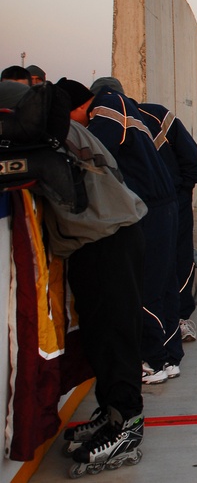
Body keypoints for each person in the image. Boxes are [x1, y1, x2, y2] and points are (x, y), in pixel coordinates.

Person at [44, 79, 147, 472]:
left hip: (112, 238)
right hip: (93, 241)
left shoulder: (62, 133)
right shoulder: (62, 131)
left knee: (117, 330)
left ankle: (129, 419)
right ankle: (111, 408)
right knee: (98, 332)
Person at [91, 76, 197, 344]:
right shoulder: (117, 124)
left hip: (168, 202)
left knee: (177, 260)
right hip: (144, 208)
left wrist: (179, 193)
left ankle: (179, 319)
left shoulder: (152, 116)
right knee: (158, 269)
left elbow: (192, 162)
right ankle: (164, 328)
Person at [85, 78, 181, 384]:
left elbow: (89, 154)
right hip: (165, 206)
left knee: (144, 288)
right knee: (164, 284)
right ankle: (169, 357)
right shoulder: (137, 115)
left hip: (149, 211)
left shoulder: (108, 107)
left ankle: (153, 361)